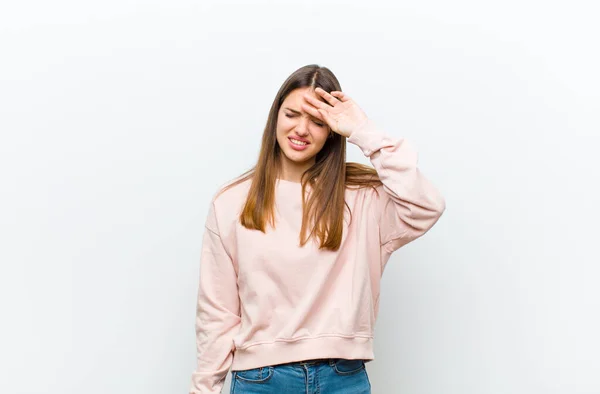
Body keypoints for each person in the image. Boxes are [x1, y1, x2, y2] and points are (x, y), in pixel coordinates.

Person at [189, 64, 446, 394]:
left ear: (333, 131)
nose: (301, 129)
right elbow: (217, 313)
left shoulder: (362, 199)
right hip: (260, 381)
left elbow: (427, 205)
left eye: (318, 121)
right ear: (275, 118)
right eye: (292, 114)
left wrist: (363, 131)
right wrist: (204, 389)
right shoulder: (231, 202)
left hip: (343, 377)